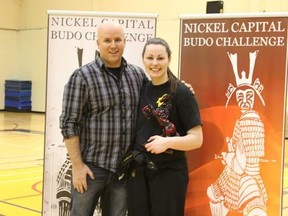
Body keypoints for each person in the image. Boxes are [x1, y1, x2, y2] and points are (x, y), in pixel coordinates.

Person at [59, 21, 148, 216]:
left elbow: (158, 95)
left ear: (125, 42)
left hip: (123, 172)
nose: (113, 45)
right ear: (98, 43)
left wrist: (180, 89)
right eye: (107, 40)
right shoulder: (82, 77)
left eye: (117, 40)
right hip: (91, 170)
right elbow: (69, 124)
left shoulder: (137, 75)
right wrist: (77, 166)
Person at [127, 37, 203, 216]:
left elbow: (197, 139)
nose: (155, 63)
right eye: (150, 58)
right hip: (139, 172)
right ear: (143, 59)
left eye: (160, 58)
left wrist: (167, 143)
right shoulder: (142, 88)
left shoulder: (182, 93)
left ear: (169, 59)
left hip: (169, 173)